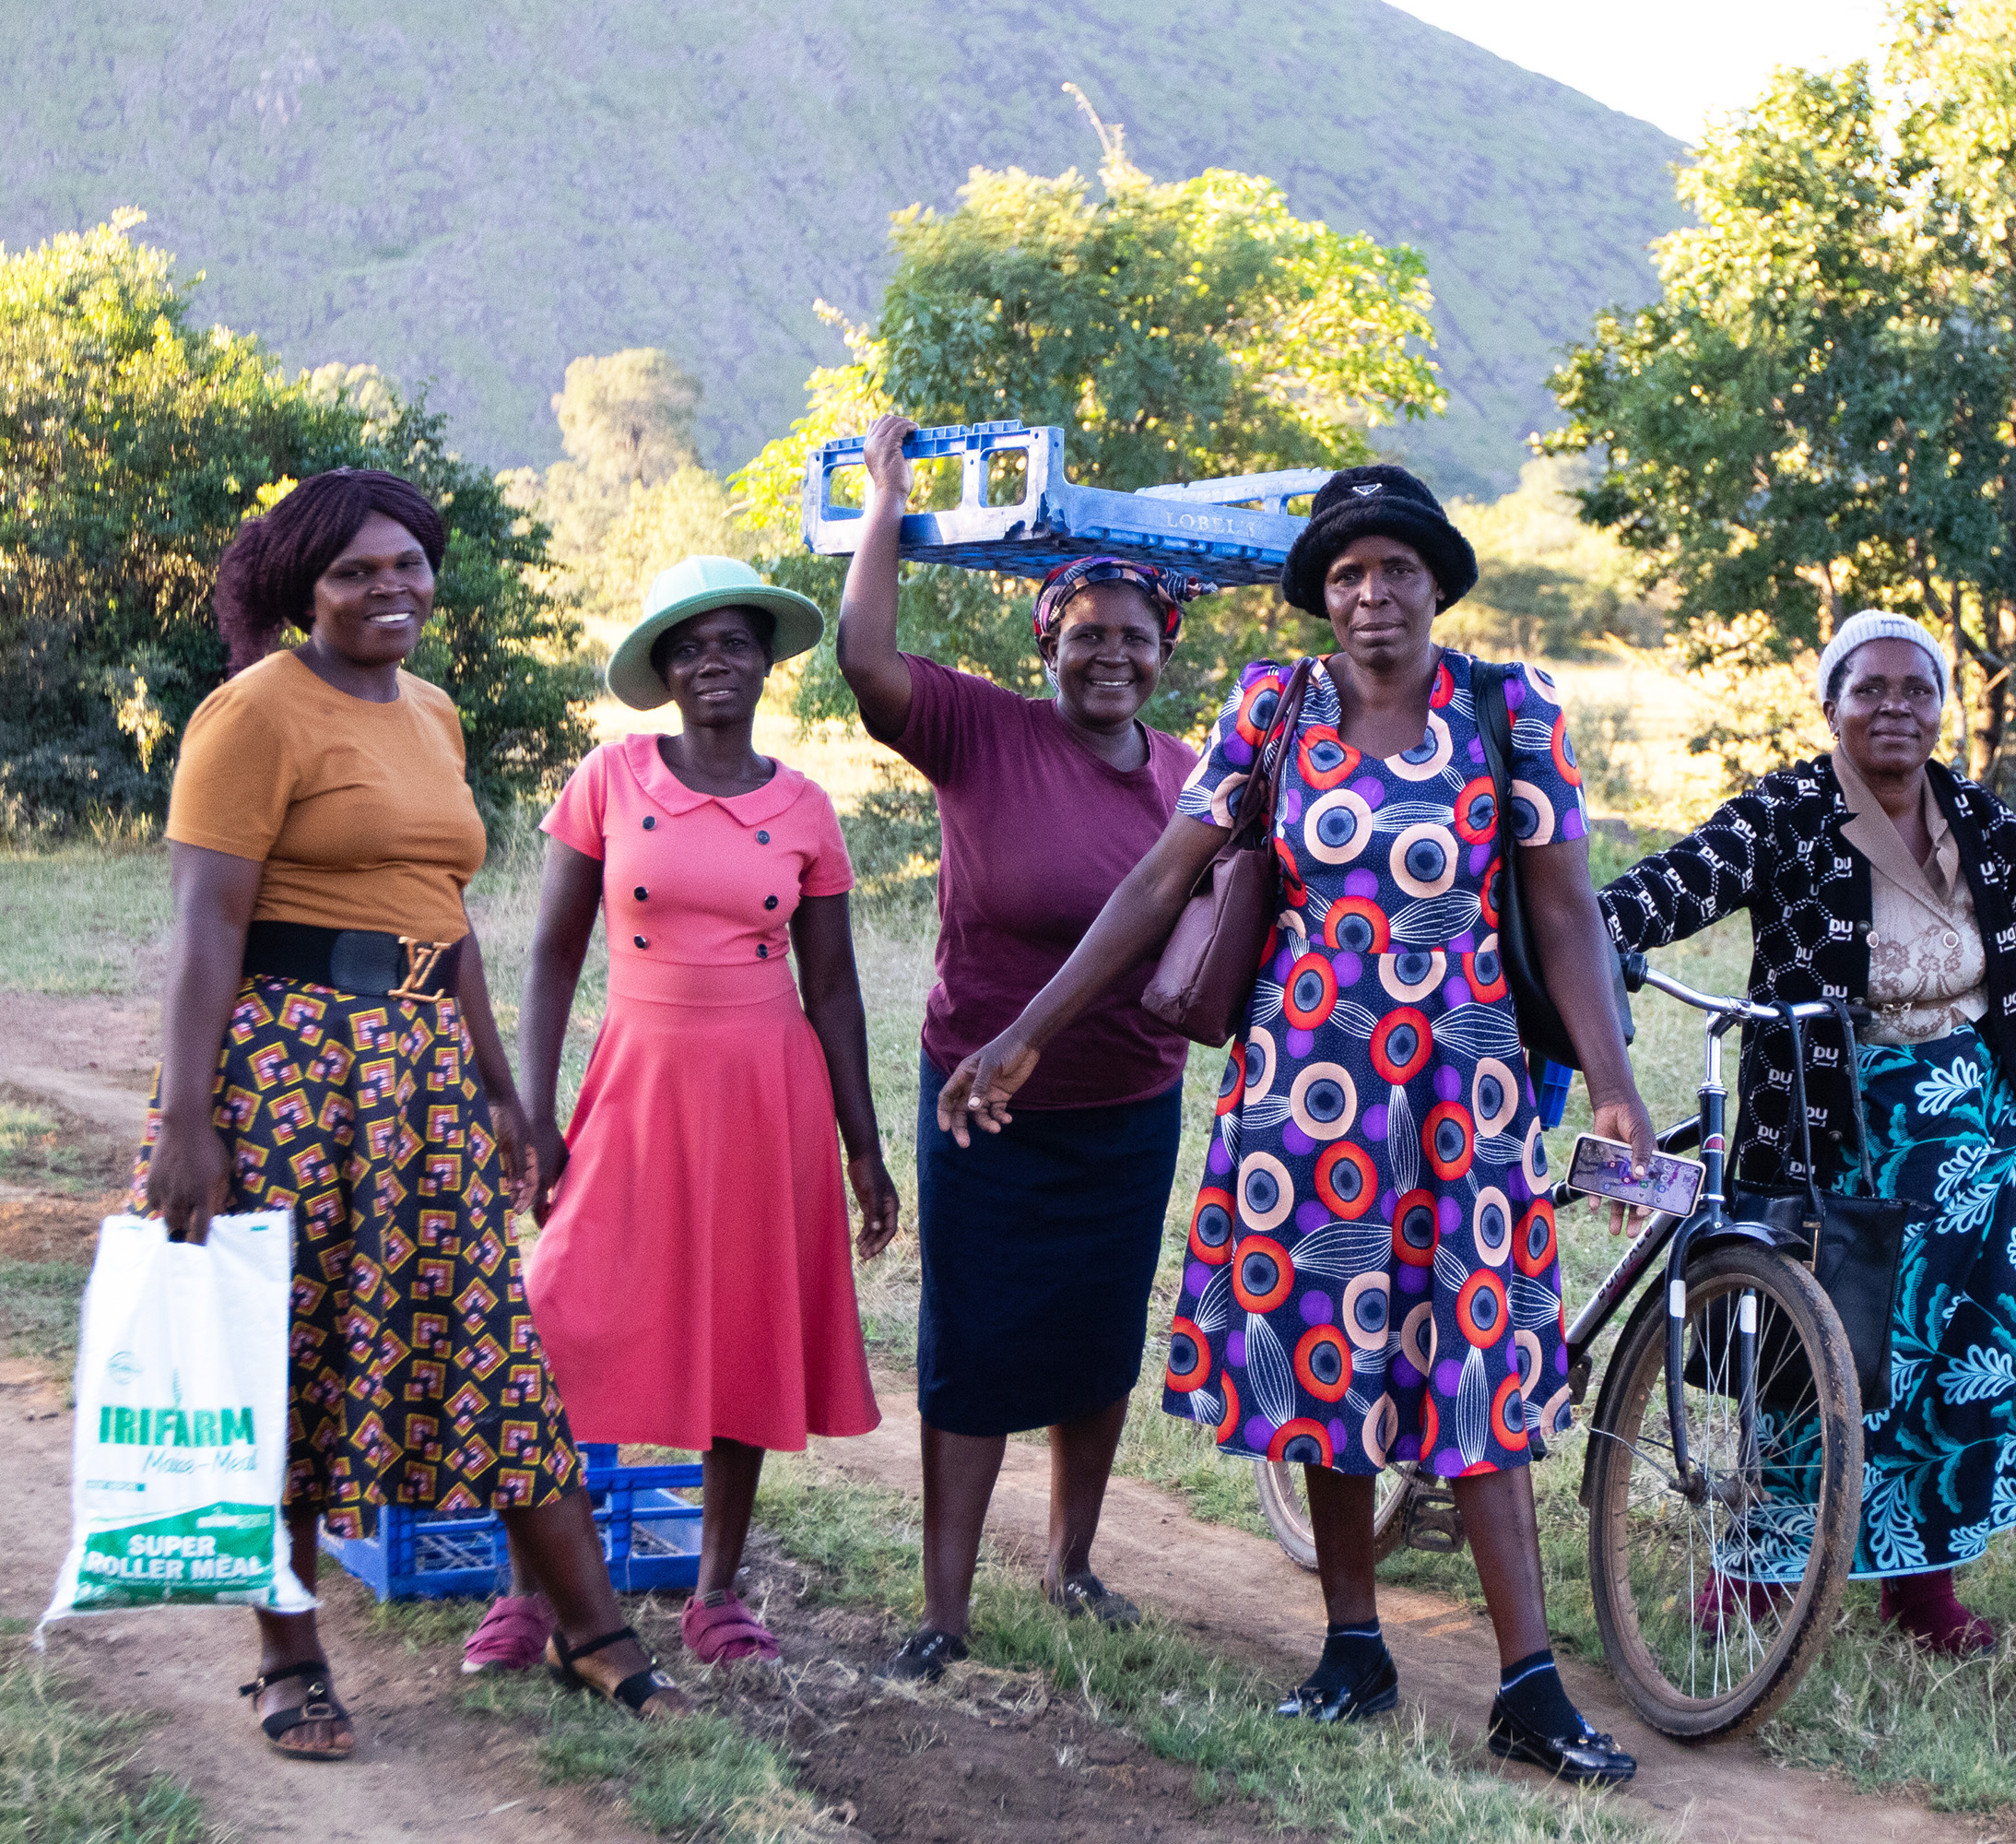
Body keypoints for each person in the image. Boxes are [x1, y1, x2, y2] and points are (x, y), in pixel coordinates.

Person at [935, 465, 1656, 1786]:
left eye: (1393, 571)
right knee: (1330, 1355)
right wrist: (1027, 1031)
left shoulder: (1511, 710)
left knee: (1476, 1366)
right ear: (1322, 598)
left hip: (1466, 1087)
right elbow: (1162, 879)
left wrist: (1612, 1083)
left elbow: (1564, 911)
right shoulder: (1273, 708)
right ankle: (1352, 1648)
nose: (1371, 595)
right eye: (1345, 576)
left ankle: (1531, 1686)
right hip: (1311, 1086)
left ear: (1436, 582)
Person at [136, 470, 691, 1758]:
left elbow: (446, 920)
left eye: (407, 566)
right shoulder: (253, 713)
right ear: (301, 590)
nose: (390, 589)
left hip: (423, 1075)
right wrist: (184, 1119)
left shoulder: (432, 714)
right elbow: (205, 925)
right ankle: (289, 1656)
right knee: (281, 1357)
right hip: (282, 1072)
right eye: (354, 572)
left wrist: (503, 1089)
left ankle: (590, 1633)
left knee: (491, 1346)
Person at [1598, 609, 2016, 1656]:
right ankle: (1762, 1571)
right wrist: (1589, 926)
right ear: (1830, 706)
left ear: (1941, 709)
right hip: (1835, 1132)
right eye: (1869, 688)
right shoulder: (1789, 810)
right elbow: (1685, 877)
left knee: (1955, 1357)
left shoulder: (1989, 827)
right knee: (1807, 1352)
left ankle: (1922, 1586)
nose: (1895, 708)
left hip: (1980, 1149)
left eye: (1917, 689)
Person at [462, 557, 896, 1673]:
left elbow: (835, 989)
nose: (715, 661)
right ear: (662, 671)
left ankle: (715, 1590)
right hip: (634, 1083)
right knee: (560, 1315)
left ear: (766, 663)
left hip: (765, 1092)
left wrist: (863, 1146)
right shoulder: (609, 778)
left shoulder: (804, 805)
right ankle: (530, 1592)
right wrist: (534, 1109)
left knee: (744, 1329)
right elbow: (554, 954)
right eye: (690, 646)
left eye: (735, 643)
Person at [834, 415, 1204, 1683]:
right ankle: (943, 1610)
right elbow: (865, 659)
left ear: (1164, 656)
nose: (1110, 655)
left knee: (1098, 1340)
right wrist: (886, 507)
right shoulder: (980, 732)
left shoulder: (1187, 771)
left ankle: (1072, 1557)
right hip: (984, 1106)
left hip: (1128, 1109)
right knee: (978, 1343)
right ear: (1046, 640)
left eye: (1134, 638)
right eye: (1086, 633)